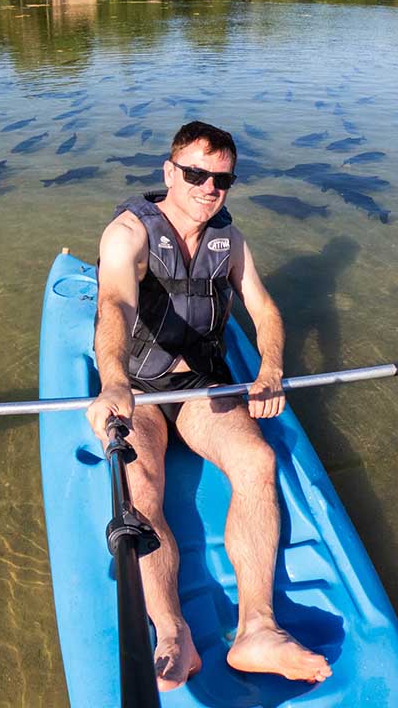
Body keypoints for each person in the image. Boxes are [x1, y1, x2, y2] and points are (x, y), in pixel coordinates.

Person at [86, 121, 332, 691]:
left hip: (201, 388)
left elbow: (264, 310)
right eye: (195, 174)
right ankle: (173, 631)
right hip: (142, 392)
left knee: (256, 462)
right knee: (142, 487)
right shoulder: (128, 234)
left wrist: (269, 367)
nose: (208, 188)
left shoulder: (230, 238)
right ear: (170, 172)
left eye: (221, 178)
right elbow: (116, 302)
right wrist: (114, 380)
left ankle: (257, 631)